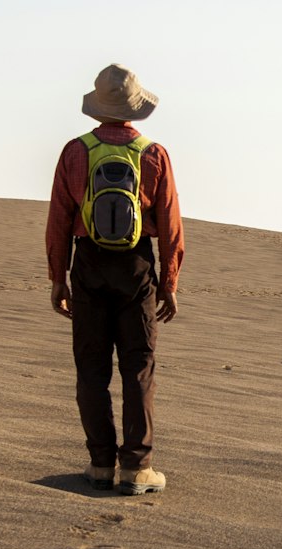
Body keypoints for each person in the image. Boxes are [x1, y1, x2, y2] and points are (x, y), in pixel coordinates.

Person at [46, 64, 184, 494]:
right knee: (138, 369)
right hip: (136, 267)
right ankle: (137, 468)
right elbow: (171, 224)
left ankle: (101, 464)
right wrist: (170, 283)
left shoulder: (75, 152)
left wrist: (58, 278)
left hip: (87, 264)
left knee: (91, 369)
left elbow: (59, 221)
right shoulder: (153, 154)